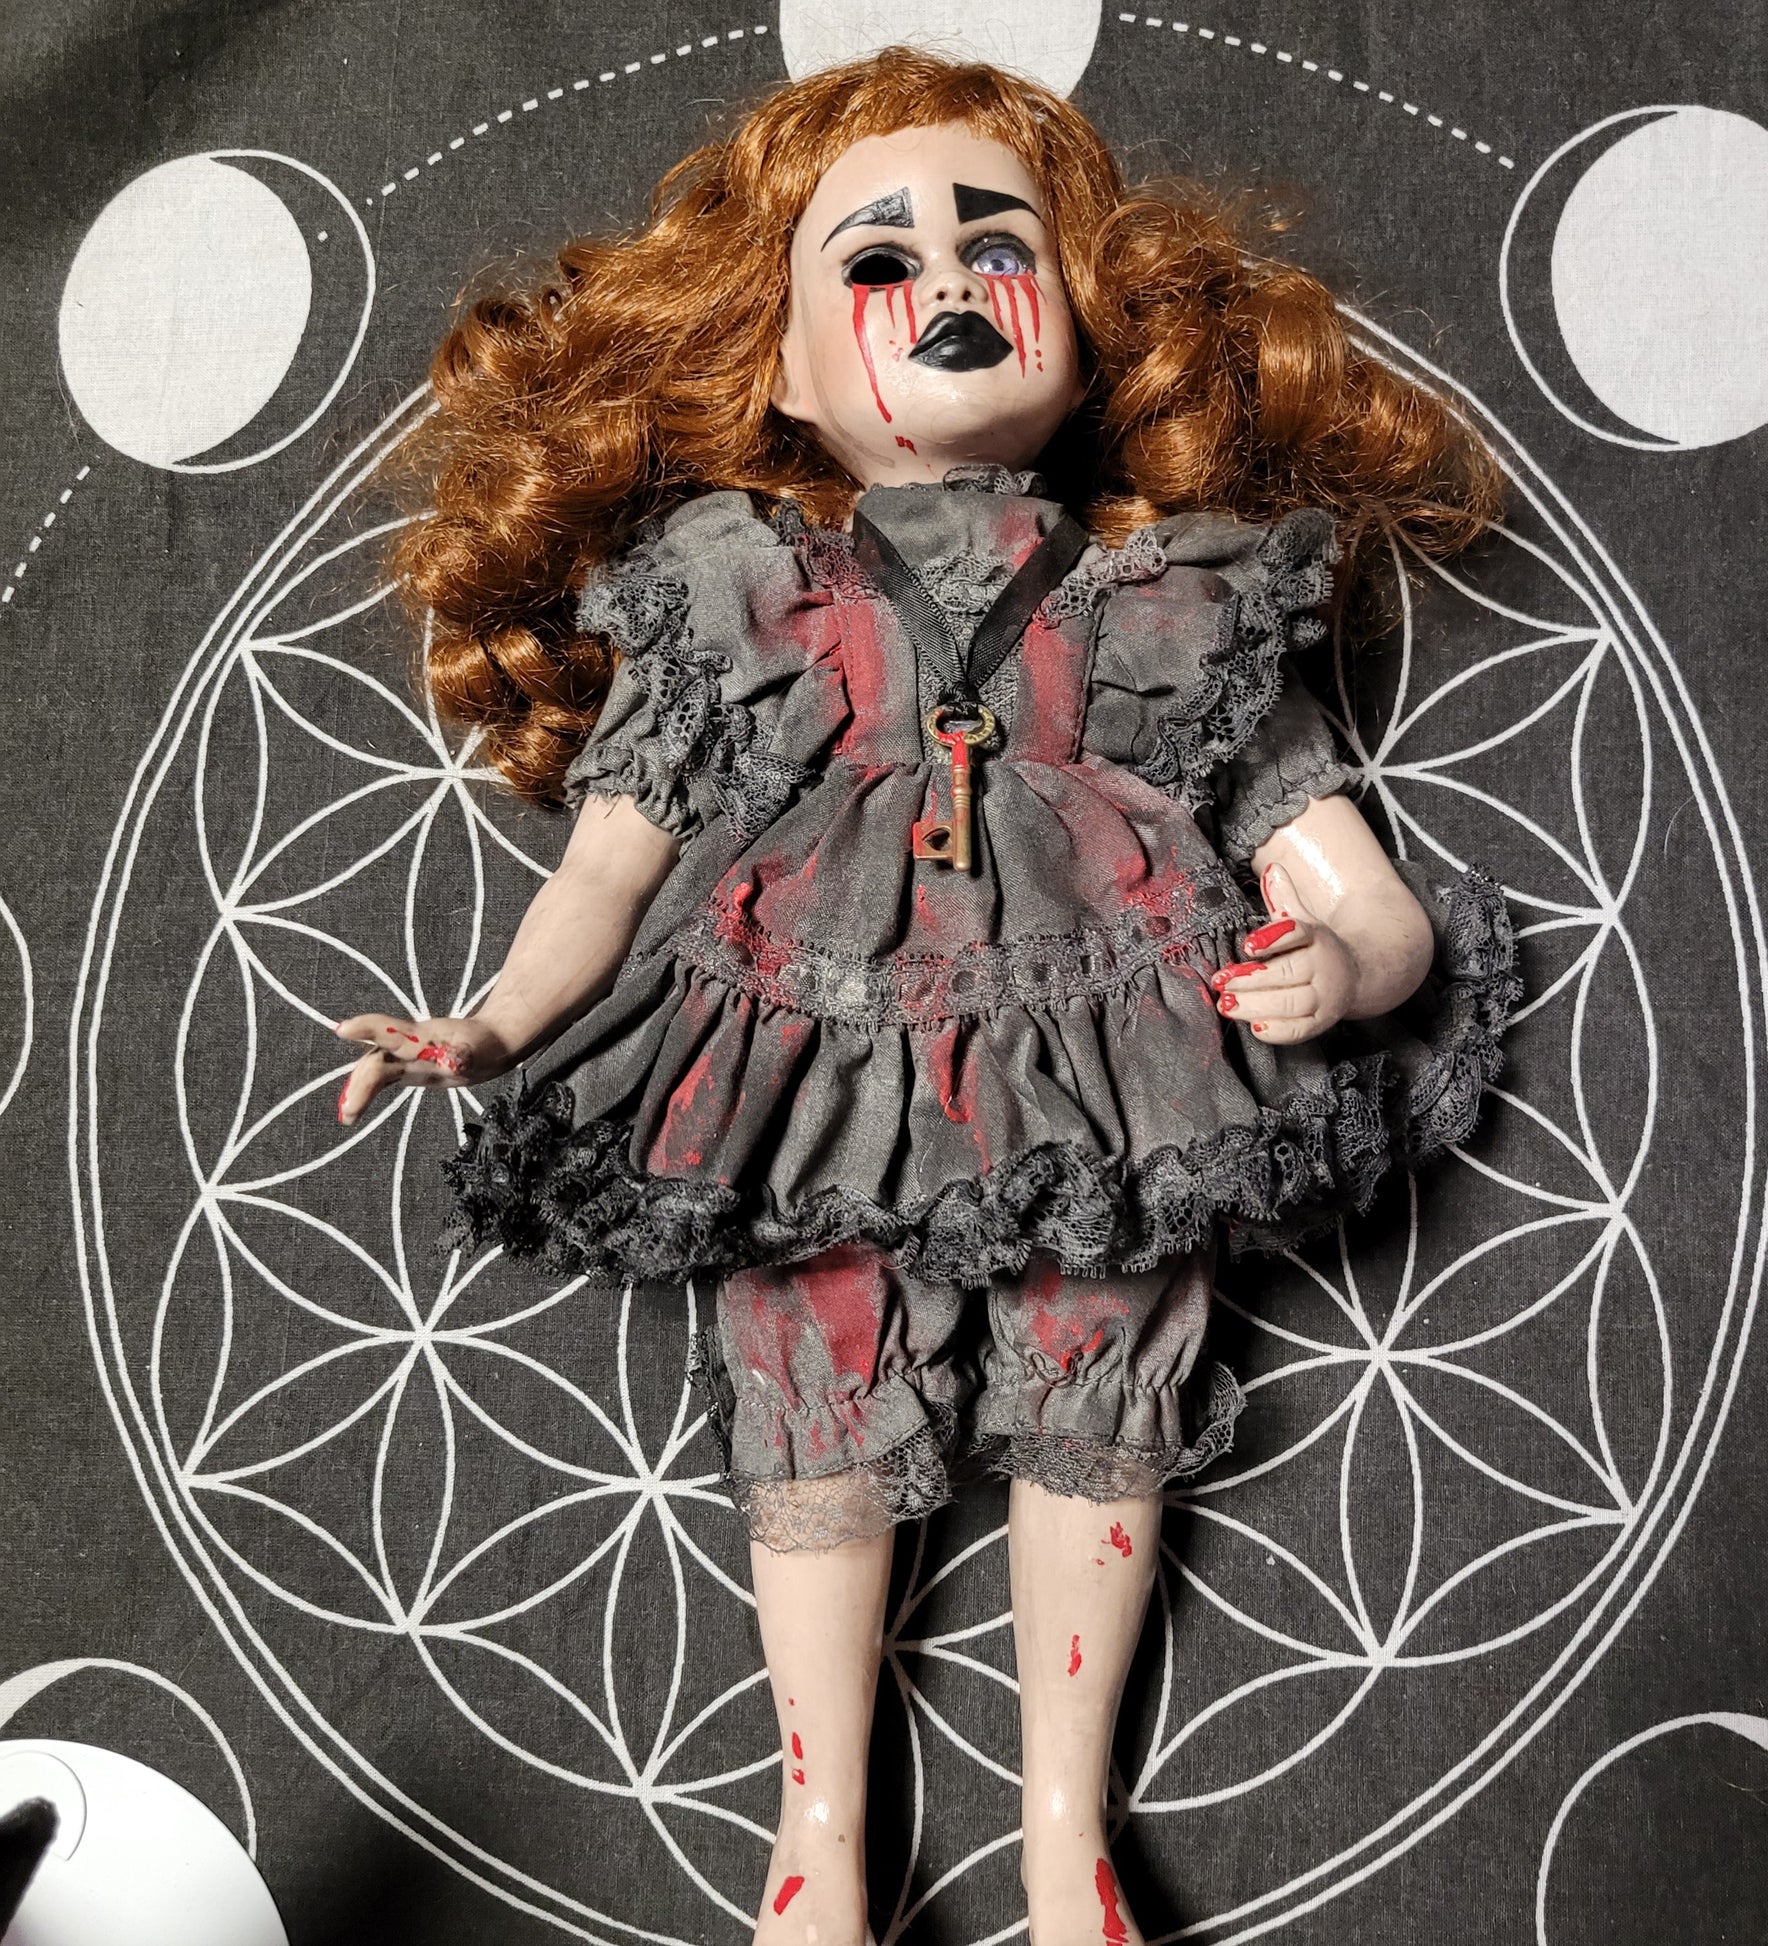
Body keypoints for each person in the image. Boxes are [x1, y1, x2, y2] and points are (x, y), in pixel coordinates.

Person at [333, 47, 1520, 1945]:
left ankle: (1064, 1835)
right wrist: (484, 1022)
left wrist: (1350, 960)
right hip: (801, 1049)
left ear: (1090, 325)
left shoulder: (1174, 603)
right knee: (808, 1364)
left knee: (1104, 1356)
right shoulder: (735, 593)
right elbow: (608, 871)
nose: (951, 279)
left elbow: (1351, 881)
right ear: (783, 371)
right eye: (877, 262)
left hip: (1112, 1052)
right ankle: (816, 1834)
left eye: (999, 245)